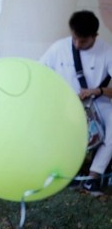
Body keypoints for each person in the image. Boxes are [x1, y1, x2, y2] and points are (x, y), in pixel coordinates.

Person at [40, 10, 112, 196]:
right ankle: (65, 172)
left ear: (95, 36)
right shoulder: (58, 48)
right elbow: (40, 74)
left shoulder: (107, 51)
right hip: (65, 103)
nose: (78, 44)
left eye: (84, 41)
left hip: (97, 101)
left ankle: (93, 177)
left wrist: (99, 91)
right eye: (75, 39)